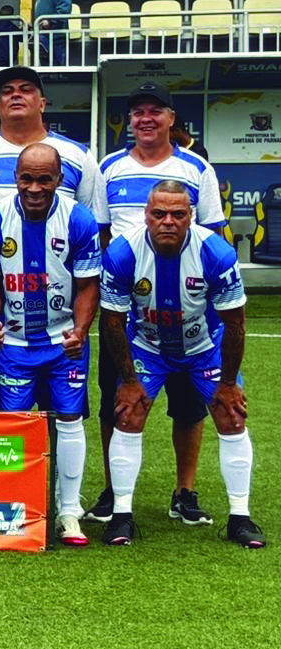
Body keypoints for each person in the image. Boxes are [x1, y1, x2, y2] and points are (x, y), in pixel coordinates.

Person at [89, 82, 227, 526]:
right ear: (129, 121)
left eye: (155, 111)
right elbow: (103, 234)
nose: (145, 119)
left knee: (188, 406)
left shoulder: (196, 168)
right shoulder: (108, 168)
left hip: (187, 311)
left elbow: (214, 234)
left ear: (171, 118)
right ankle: (114, 492)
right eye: (137, 113)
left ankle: (185, 492)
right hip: (128, 312)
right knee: (118, 401)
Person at [98, 180, 264, 549]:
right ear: (146, 216)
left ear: (191, 216)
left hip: (204, 348)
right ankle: (122, 515)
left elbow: (235, 324)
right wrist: (128, 380)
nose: (168, 221)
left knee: (231, 415)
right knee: (129, 413)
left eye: (178, 214)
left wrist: (228, 384)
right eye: (159, 214)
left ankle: (241, 517)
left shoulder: (216, 253)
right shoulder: (123, 252)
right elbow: (111, 322)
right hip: (148, 347)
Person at [0, 66, 108, 407]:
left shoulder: (79, 156)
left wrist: (79, 315)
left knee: (60, 408)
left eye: (26, 89)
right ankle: (2, 464)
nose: (16, 95)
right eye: (7, 91)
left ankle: (55, 464)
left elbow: (93, 228)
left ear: (43, 102)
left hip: (57, 310)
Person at [0, 144, 102, 545]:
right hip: (14, 343)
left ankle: (69, 512)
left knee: (69, 419)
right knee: (12, 425)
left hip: (63, 342)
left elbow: (87, 285)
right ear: (16, 178)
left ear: (60, 180)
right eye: (27, 178)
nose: (36, 187)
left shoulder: (79, 220)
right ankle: (14, 507)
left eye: (45, 179)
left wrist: (80, 331)